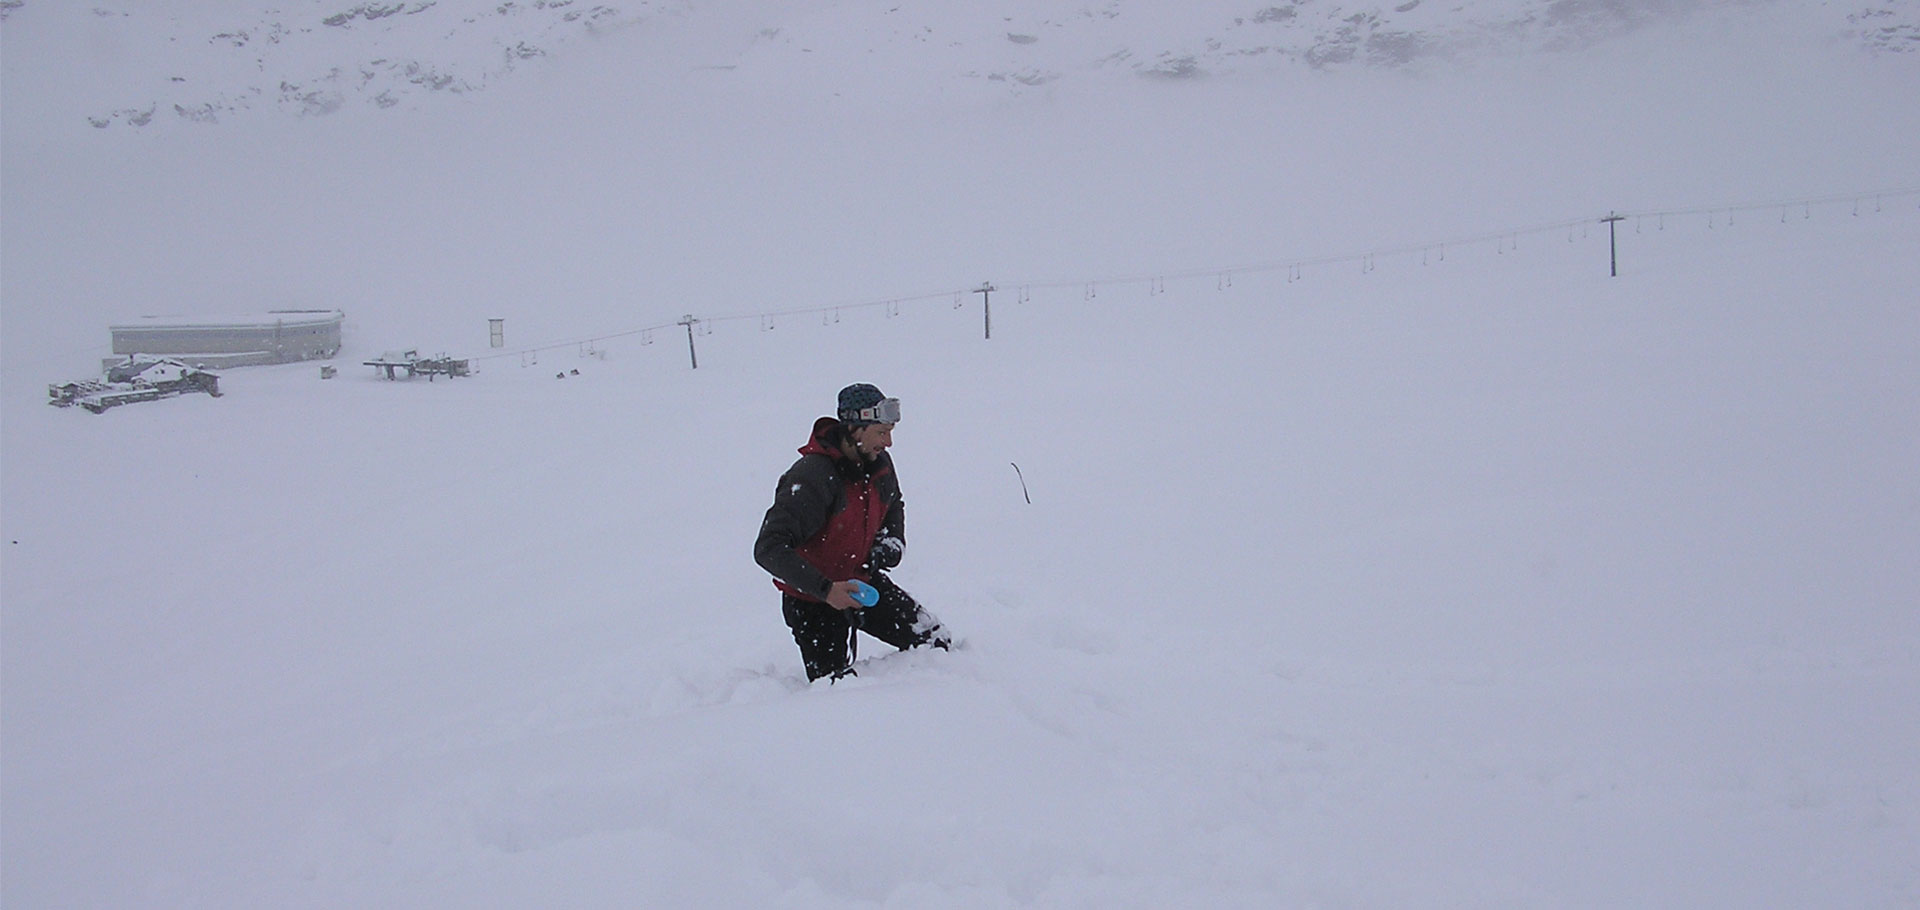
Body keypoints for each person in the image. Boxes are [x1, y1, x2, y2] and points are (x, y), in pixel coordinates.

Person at [755, 383, 950, 681]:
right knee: (838, 690)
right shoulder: (811, 477)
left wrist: (891, 542)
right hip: (814, 602)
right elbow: (768, 548)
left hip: (861, 583)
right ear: (855, 429)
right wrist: (826, 590)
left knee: (936, 643)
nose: (889, 443)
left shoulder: (878, 464)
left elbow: (894, 503)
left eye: (890, 432)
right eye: (881, 432)